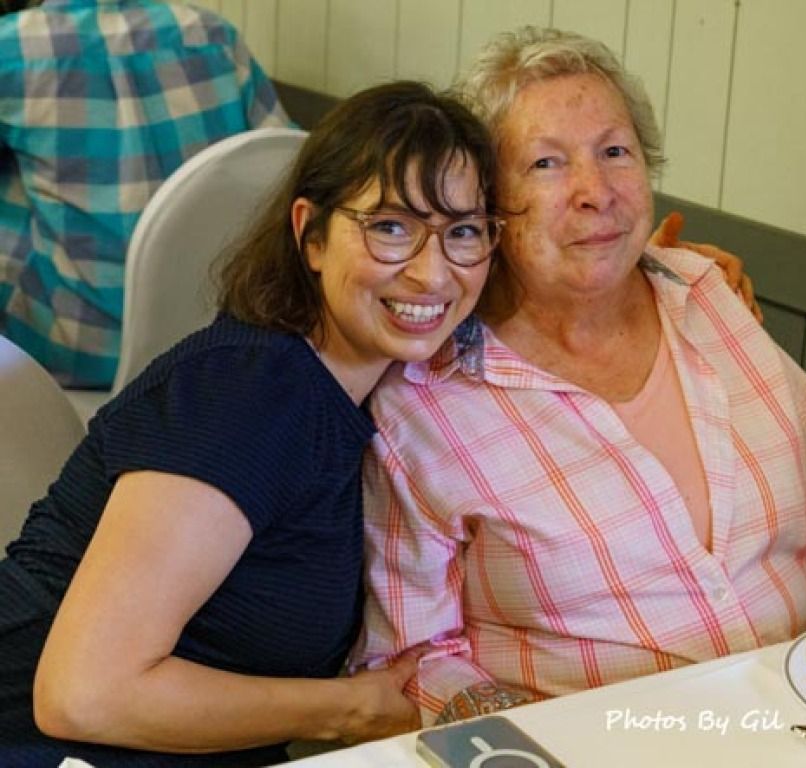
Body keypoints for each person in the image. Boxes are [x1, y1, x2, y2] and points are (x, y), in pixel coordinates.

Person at [353, 26, 806, 726]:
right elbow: (411, 658)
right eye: (545, 163)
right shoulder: (425, 400)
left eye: (614, 152)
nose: (594, 191)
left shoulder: (709, 297)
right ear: (486, 203)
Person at [0, 80, 502, 766]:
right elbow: (85, 694)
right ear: (310, 234)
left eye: (463, 232)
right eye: (390, 226)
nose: (430, 272)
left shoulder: (350, 386)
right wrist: (350, 710)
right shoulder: (250, 392)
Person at [0, 0, 290, 389]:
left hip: (73, 349)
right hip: (210, 339)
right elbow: (287, 164)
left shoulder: (12, 50)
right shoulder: (212, 35)